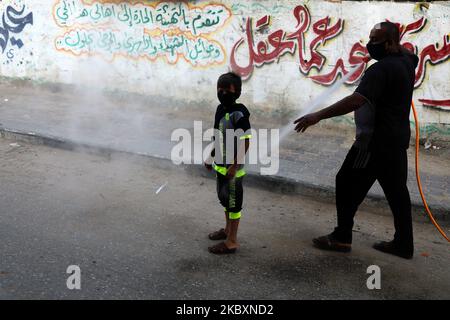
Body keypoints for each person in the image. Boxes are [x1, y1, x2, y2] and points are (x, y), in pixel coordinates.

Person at [293, 22, 419, 259]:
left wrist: (317, 115)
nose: (370, 44)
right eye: (369, 38)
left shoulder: (379, 71)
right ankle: (404, 244)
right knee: (397, 193)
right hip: (397, 140)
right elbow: (410, 54)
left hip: (373, 143)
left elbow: (356, 100)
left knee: (346, 181)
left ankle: (341, 237)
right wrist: (391, 47)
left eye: (375, 40)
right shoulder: (407, 62)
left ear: (390, 43)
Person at [205, 72, 252, 254]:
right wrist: (211, 156)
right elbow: (218, 136)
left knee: (233, 204)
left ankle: (232, 241)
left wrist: (234, 165)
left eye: (228, 90)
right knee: (224, 199)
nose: (223, 93)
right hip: (220, 167)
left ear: (237, 92)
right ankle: (226, 230)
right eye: (220, 89)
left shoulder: (239, 113)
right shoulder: (220, 110)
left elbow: (246, 140)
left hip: (233, 171)